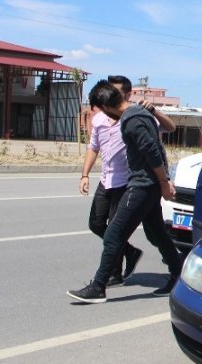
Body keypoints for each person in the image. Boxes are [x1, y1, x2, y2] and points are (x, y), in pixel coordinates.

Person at [68, 80, 182, 303]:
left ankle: (98, 287)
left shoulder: (132, 120)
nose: (106, 117)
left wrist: (163, 182)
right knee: (156, 232)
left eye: (103, 111)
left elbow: (152, 151)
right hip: (146, 184)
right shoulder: (138, 113)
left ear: (107, 105)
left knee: (113, 234)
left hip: (142, 185)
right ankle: (179, 275)